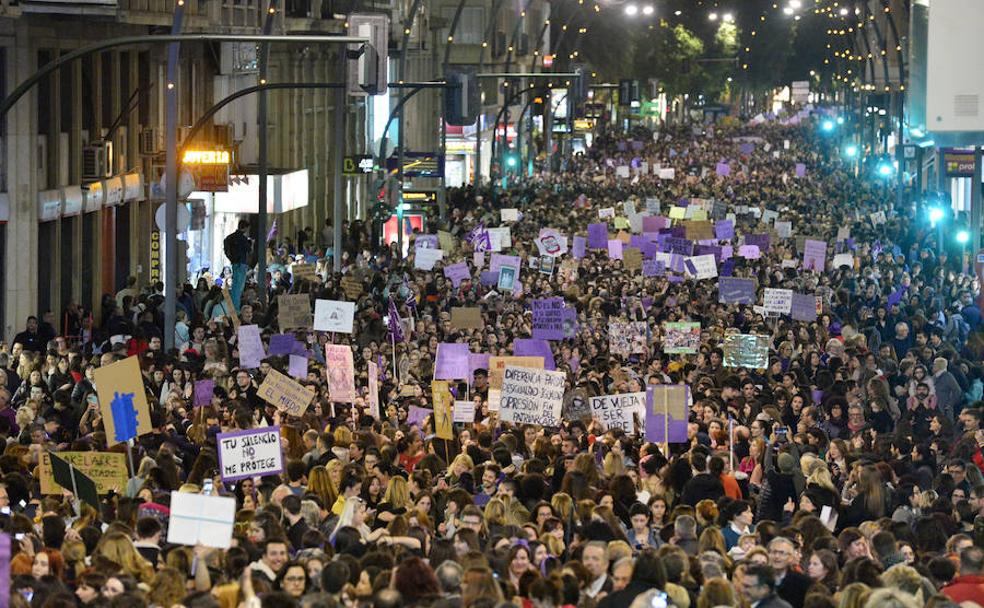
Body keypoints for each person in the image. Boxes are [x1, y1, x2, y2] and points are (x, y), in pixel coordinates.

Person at [224, 219, 252, 310]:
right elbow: (249, 250)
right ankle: (235, 308)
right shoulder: (243, 239)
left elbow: (226, 249)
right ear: (245, 228)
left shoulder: (230, 238)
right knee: (238, 287)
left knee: (235, 285)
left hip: (235, 263)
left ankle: (232, 305)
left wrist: (231, 258)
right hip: (241, 263)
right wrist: (251, 243)